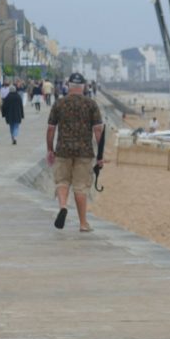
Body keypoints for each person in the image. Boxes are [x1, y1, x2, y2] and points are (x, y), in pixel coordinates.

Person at [46, 72, 104, 233]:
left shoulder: (59, 104)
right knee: (80, 187)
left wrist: (50, 149)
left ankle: (63, 206)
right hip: (84, 152)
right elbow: (98, 131)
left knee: (62, 182)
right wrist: (100, 155)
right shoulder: (91, 104)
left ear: (68, 86)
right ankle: (83, 224)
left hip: (63, 150)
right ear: (83, 87)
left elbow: (51, 129)